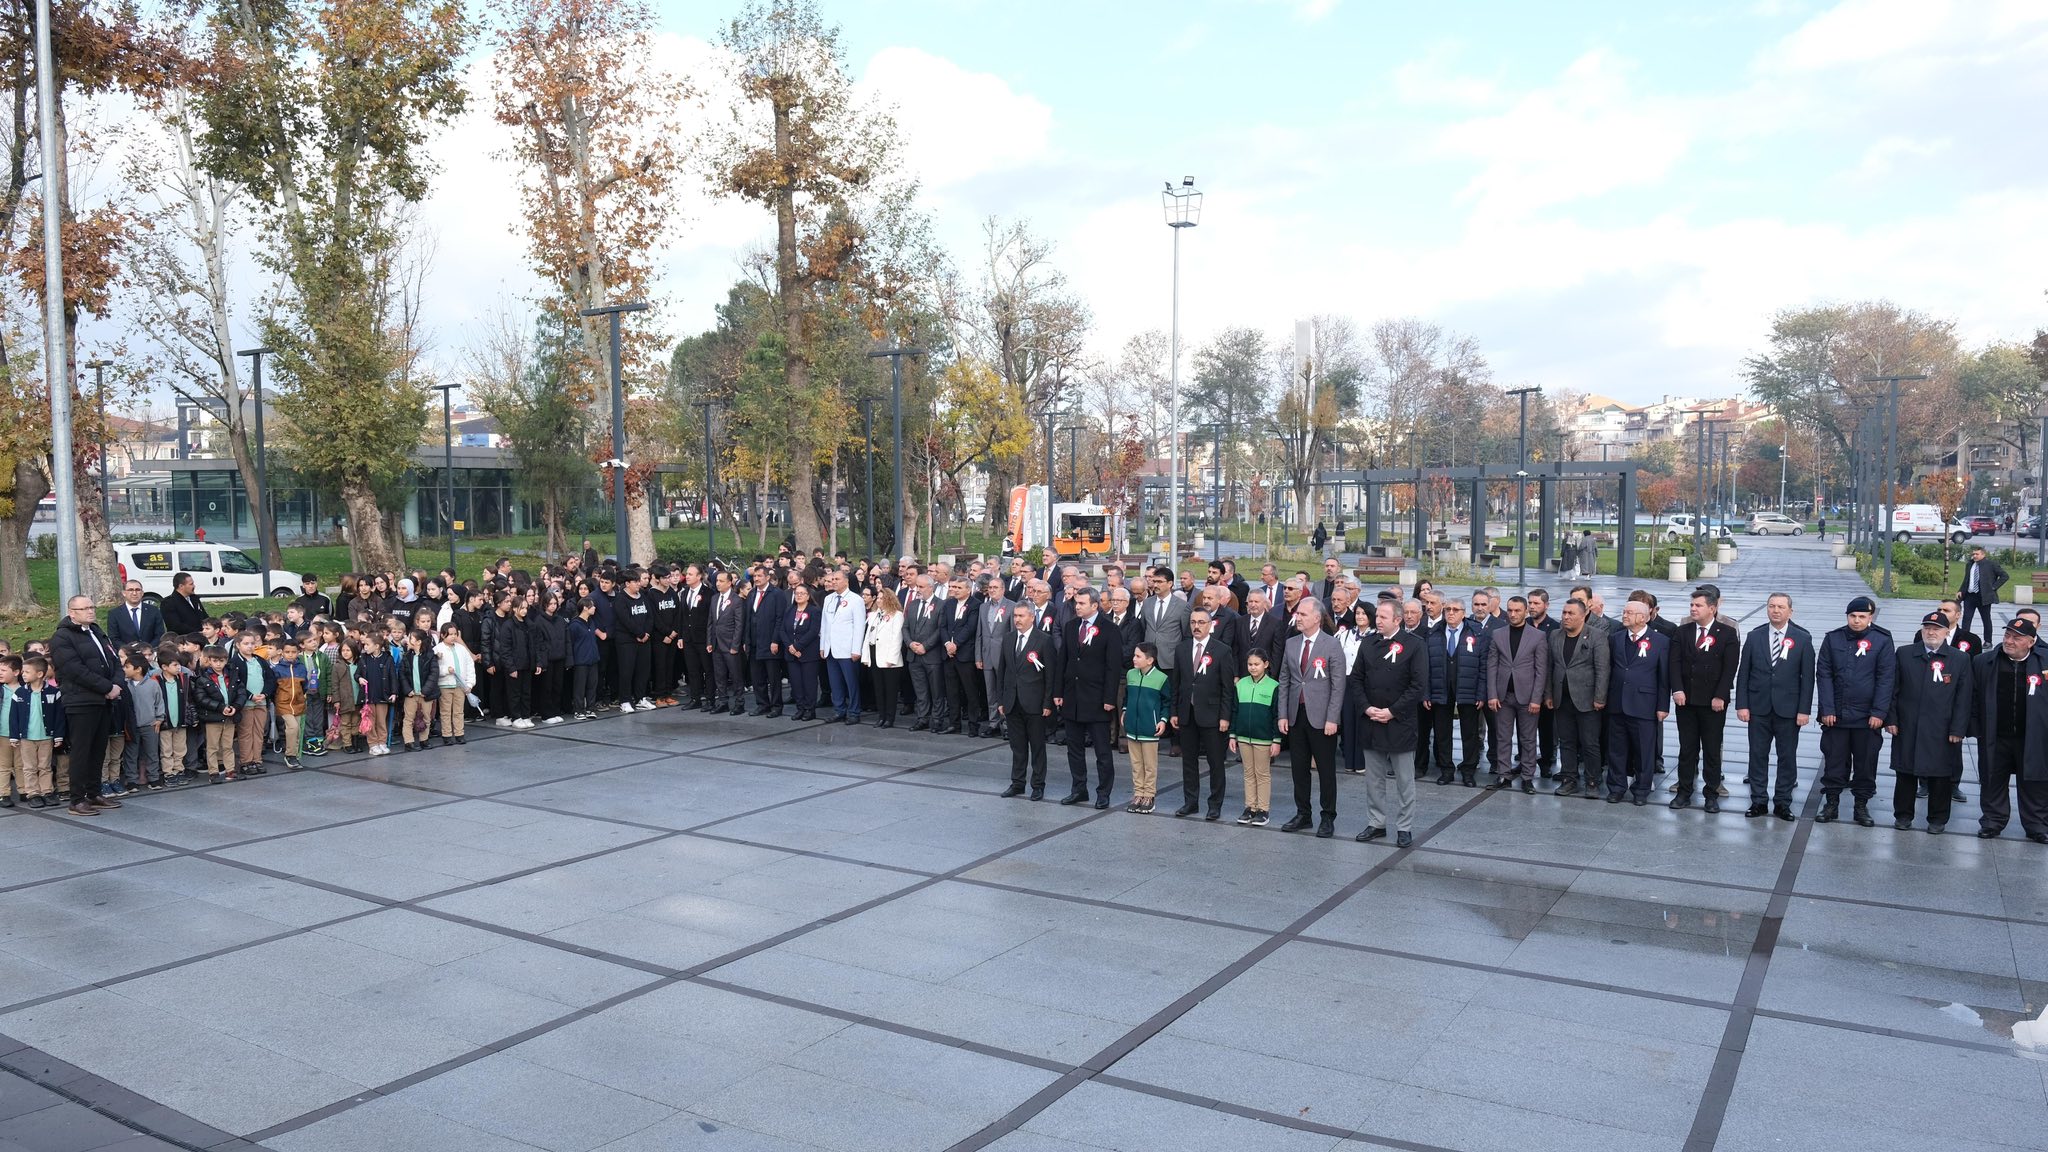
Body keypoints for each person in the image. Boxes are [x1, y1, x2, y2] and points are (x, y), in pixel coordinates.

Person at [1352, 598, 1427, 846]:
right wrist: (1366, 707)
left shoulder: (1415, 645)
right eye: (1378, 617)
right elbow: (1356, 680)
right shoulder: (1368, 643)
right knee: (1374, 779)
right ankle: (1376, 823)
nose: (1378, 621)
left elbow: (1417, 686)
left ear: (1398, 619)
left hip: (1399, 722)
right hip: (1372, 719)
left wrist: (1392, 711)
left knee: (1405, 780)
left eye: (1384, 617)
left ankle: (1404, 827)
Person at [1816, 595, 1895, 827]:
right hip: (1836, 717)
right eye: (1853, 616)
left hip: (1867, 718)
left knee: (1866, 763)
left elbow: (1886, 678)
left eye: (1862, 617)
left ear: (1870, 617)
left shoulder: (1882, 640)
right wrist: (1827, 709)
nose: (1857, 621)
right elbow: (1824, 674)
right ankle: (1831, 804)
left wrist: (1879, 712)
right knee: (1834, 762)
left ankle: (1861, 806)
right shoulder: (1833, 639)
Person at [1889, 611, 1971, 833]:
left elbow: (1964, 697)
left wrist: (1958, 728)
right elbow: (1893, 690)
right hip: (1908, 725)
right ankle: (1903, 815)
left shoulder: (1959, 658)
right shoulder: (1905, 654)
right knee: (1905, 773)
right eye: (1927, 628)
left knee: (1940, 775)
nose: (1931, 632)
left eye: (1936, 629)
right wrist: (1892, 719)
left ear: (1946, 632)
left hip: (1942, 729)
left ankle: (1937, 819)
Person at [1969, 618, 2048, 843]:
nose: (2009, 641)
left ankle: (2037, 825)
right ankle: (1993, 821)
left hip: (2033, 736)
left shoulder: (2044, 663)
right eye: (2007, 635)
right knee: (1993, 778)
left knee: (2035, 781)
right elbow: (1973, 697)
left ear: (2031, 642)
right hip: (1996, 735)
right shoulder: (1984, 662)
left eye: (2017, 637)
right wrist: (1976, 728)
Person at [1736, 593, 1814, 821]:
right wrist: (1743, 705)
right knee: (1757, 756)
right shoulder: (1754, 636)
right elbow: (1744, 674)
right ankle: (1758, 801)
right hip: (1758, 708)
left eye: (1780, 607)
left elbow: (1807, 678)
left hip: (1788, 710)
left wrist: (1804, 710)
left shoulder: (1802, 638)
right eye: (1771, 606)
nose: (1775, 611)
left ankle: (1783, 803)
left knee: (1786, 757)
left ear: (1790, 611)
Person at [1278, 596, 1346, 837]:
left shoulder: (1331, 645)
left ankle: (1327, 816)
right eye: (1297, 614)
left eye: (1303, 614)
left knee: (1326, 770)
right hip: (1297, 715)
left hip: (1322, 718)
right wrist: (1283, 714)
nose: (1298, 617)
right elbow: (1285, 679)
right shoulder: (1292, 643)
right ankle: (1303, 813)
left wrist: (1332, 718)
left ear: (1317, 618)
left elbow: (1338, 685)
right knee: (1298, 768)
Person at [1670, 587, 1740, 812]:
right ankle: (1684, 791)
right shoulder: (1683, 632)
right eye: (1692, 605)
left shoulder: (1727, 633)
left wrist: (1720, 695)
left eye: (1698, 605)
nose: (1693, 609)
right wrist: (1677, 690)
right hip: (1687, 701)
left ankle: (1711, 793)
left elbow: (1730, 668)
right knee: (1687, 748)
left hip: (1713, 703)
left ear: (1712, 608)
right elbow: (1675, 664)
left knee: (1711, 749)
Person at [1054, 588, 1119, 808]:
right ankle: (1079, 789)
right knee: (1074, 748)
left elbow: (1113, 667)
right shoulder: (1071, 626)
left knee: (1102, 751)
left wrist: (1109, 697)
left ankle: (1103, 792)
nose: (1077, 607)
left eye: (1081, 603)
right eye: (1076, 603)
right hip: (1073, 697)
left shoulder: (1109, 629)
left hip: (1097, 699)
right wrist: (1058, 692)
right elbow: (1062, 661)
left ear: (1094, 605)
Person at [1173, 606, 1236, 821]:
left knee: (1215, 762)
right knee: (1188, 761)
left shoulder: (1222, 650)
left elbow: (1228, 688)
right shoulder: (1182, 649)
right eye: (1193, 622)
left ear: (1210, 626)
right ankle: (1190, 802)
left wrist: (1225, 717)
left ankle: (1214, 804)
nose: (1196, 626)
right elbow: (1177, 684)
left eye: (1201, 622)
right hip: (1187, 714)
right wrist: (1175, 711)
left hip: (1212, 715)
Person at [1605, 600, 1670, 805]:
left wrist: (1662, 706)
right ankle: (1616, 787)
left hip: (1644, 705)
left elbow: (1663, 677)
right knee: (1616, 750)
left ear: (1643, 617)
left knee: (1644, 751)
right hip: (1617, 703)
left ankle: (1641, 790)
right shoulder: (1615, 638)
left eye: (1629, 613)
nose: (1624, 615)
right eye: (1624, 611)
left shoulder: (1660, 641)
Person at [1545, 597, 1609, 798]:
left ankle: (1592, 781)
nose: (1565, 617)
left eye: (1570, 613)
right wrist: (1548, 694)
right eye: (1564, 613)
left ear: (1584, 615)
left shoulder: (1597, 636)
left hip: (1587, 700)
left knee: (1590, 743)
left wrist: (1600, 697)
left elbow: (1602, 669)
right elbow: (1550, 667)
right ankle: (1569, 779)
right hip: (1561, 699)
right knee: (1566, 741)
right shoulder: (1555, 635)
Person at [1485, 596, 1548, 792]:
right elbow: (1492, 666)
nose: (1513, 614)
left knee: (1528, 738)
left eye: (1517, 610)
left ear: (1526, 611)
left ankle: (1528, 776)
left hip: (1528, 697)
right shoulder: (1498, 634)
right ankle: (1504, 775)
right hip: (1503, 696)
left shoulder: (1537, 636)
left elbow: (1541, 670)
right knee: (1502, 736)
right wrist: (1492, 694)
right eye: (1510, 610)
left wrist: (1537, 699)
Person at [1229, 650, 1279, 826]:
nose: (1253, 667)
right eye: (1250, 664)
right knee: (1248, 773)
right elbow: (1234, 711)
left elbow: (1276, 716)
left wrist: (1276, 740)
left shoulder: (1273, 686)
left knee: (1262, 774)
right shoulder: (1241, 684)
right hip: (1243, 737)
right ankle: (1250, 807)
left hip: (1263, 739)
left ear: (1266, 664)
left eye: (1257, 664)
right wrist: (1232, 735)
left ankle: (1263, 809)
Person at [1121, 642, 1170, 813]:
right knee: (1136, 763)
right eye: (1134, 655)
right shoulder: (1130, 674)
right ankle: (1138, 793)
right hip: (1132, 728)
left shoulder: (1161, 678)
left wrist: (1163, 720)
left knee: (1149, 764)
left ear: (1150, 660)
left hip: (1149, 728)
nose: (1134, 659)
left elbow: (1166, 702)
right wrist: (1125, 710)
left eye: (1138, 656)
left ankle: (1149, 794)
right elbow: (1127, 696)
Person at [224, 630, 274, 776]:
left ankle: (257, 760)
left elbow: (270, 679)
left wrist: (264, 693)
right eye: (246, 644)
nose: (250, 646)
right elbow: (236, 683)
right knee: (246, 733)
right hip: (245, 704)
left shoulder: (260, 660)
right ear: (238, 645)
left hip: (261, 702)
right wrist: (250, 695)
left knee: (258, 732)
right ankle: (246, 761)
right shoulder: (234, 662)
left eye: (252, 643)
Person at [820, 569, 867, 725]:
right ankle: (839, 709)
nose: (833, 582)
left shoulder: (855, 599)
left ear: (846, 581)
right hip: (831, 648)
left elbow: (859, 626)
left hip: (847, 648)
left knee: (851, 682)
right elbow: (825, 624)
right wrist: (823, 645)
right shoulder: (829, 599)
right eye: (832, 579)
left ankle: (854, 711)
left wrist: (856, 649)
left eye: (837, 579)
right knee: (835, 682)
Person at [941, 577, 984, 736]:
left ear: (968, 589)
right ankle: (954, 723)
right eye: (954, 587)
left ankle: (973, 725)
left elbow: (970, 627)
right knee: (951, 691)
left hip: (965, 654)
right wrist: (947, 644)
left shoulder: (975, 605)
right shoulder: (949, 604)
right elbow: (943, 626)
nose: (955, 590)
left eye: (959, 588)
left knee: (970, 691)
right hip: (949, 654)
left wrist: (956, 644)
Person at [777, 582, 823, 723]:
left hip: (808, 654)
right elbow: (782, 630)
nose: (799, 596)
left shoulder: (814, 611)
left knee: (809, 683)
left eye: (802, 593)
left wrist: (798, 646)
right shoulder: (790, 611)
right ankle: (800, 708)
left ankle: (810, 709)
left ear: (808, 596)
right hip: (791, 653)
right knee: (796, 683)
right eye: (797, 593)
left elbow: (813, 632)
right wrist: (790, 647)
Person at [862, 587, 905, 730]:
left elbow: (897, 638)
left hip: (888, 656)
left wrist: (891, 658)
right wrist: (866, 656)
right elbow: (868, 635)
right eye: (878, 598)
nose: (879, 601)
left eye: (881, 598)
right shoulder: (873, 615)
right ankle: (881, 716)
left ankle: (889, 718)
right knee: (879, 688)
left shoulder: (897, 615)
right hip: (874, 653)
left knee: (890, 690)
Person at [709, 569, 748, 715]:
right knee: (719, 675)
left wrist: (735, 645)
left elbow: (739, 624)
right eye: (717, 581)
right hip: (716, 644)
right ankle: (723, 702)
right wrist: (709, 641)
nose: (718, 583)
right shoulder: (714, 599)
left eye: (721, 581)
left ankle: (739, 703)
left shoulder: (736, 600)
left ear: (729, 583)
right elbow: (711, 622)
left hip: (731, 644)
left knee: (736, 675)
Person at [270, 638, 309, 769]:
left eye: (293, 652)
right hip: (283, 703)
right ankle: (290, 755)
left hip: (298, 702)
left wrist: (302, 695)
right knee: (292, 727)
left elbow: (305, 685)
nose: (290, 654)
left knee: (296, 731)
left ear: (298, 652)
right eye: (287, 652)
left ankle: (295, 755)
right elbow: (273, 686)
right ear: (282, 653)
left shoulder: (301, 667)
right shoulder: (277, 669)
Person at [435, 623, 476, 745]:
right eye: (450, 634)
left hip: (460, 685)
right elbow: (435, 669)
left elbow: (469, 666)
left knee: (459, 711)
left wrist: (470, 683)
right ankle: (447, 735)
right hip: (445, 685)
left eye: (455, 634)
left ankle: (459, 733)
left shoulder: (461, 648)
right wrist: (445, 671)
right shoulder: (437, 649)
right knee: (446, 711)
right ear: (442, 635)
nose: (453, 637)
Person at [1958, 545, 2007, 641]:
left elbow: (2004, 576)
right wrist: (1960, 590)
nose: (1975, 556)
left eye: (1977, 554)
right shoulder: (1970, 565)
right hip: (1970, 596)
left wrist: (1993, 587)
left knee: (1986, 619)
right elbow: (1966, 579)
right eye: (1973, 554)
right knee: (1966, 619)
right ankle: (1964, 639)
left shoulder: (1991, 564)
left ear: (1983, 554)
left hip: (1983, 597)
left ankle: (1988, 641)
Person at [106, 580, 166, 648]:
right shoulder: (114, 614)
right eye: (130, 590)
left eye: (137, 590)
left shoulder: (154, 611)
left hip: (150, 653)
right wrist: (129, 650)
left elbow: (160, 635)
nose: (134, 593)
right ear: (124, 593)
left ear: (142, 593)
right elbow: (114, 638)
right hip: (127, 654)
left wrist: (147, 649)